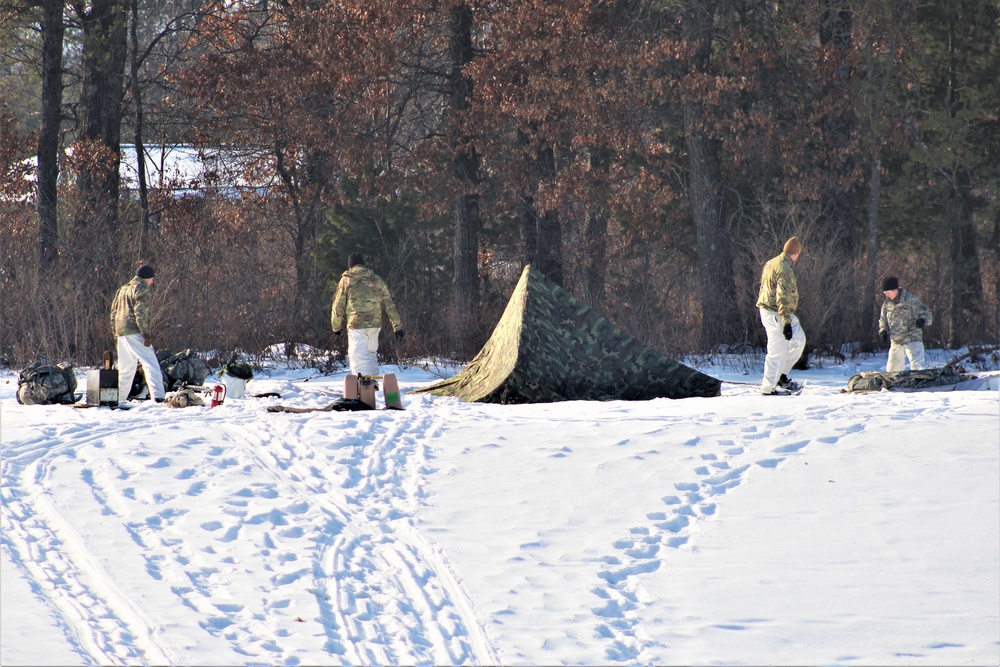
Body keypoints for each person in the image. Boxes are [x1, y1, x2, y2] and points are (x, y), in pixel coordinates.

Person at [330, 252, 404, 377]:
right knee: (370, 355)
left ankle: (364, 388)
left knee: (358, 359)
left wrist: (336, 327)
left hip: (356, 325)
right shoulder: (377, 279)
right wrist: (397, 327)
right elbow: (389, 304)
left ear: (350, 266)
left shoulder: (346, 280)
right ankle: (373, 384)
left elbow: (338, 305)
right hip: (374, 326)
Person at [756, 236, 807, 395]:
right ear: (796, 254)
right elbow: (782, 296)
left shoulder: (771, 263)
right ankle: (768, 388)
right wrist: (785, 322)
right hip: (776, 313)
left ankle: (781, 376)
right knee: (777, 350)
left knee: (799, 340)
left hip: (773, 311)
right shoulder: (784, 269)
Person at [110, 264, 165, 404]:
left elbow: (113, 313)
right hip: (135, 330)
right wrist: (146, 334)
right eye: (152, 279)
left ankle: (118, 399)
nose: (152, 282)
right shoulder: (141, 289)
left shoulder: (122, 289)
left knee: (126, 368)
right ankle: (158, 397)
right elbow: (140, 313)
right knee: (150, 363)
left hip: (121, 331)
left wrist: (115, 333)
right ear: (147, 278)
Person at [878, 276, 932, 372]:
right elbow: (883, 320)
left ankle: (919, 384)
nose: (886, 295)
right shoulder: (887, 303)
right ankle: (895, 386)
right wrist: (883, 331)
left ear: (894, 290)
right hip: (896, 340)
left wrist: (922, 320)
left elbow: (927, 314)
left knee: (918, 368)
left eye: (887, 293)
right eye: (884, 293)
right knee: (892, 370)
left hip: (913, 338)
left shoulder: (911, 299)